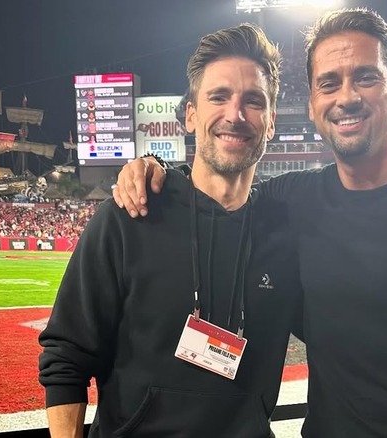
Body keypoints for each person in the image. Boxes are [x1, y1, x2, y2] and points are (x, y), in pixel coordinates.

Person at [113, 8, 387, 437]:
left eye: (366, 77)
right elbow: (217, 187)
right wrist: (156, 168)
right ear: (312, 103)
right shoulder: (293, 198)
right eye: (329, 83)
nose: (346, 97)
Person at [39, 24, 302, 437]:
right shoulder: (128, 215)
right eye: (219, 96)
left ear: (270, 123)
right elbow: (65, 360)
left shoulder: (289, 234)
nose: (235, 114)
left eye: (254, 101)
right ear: (191, 115)